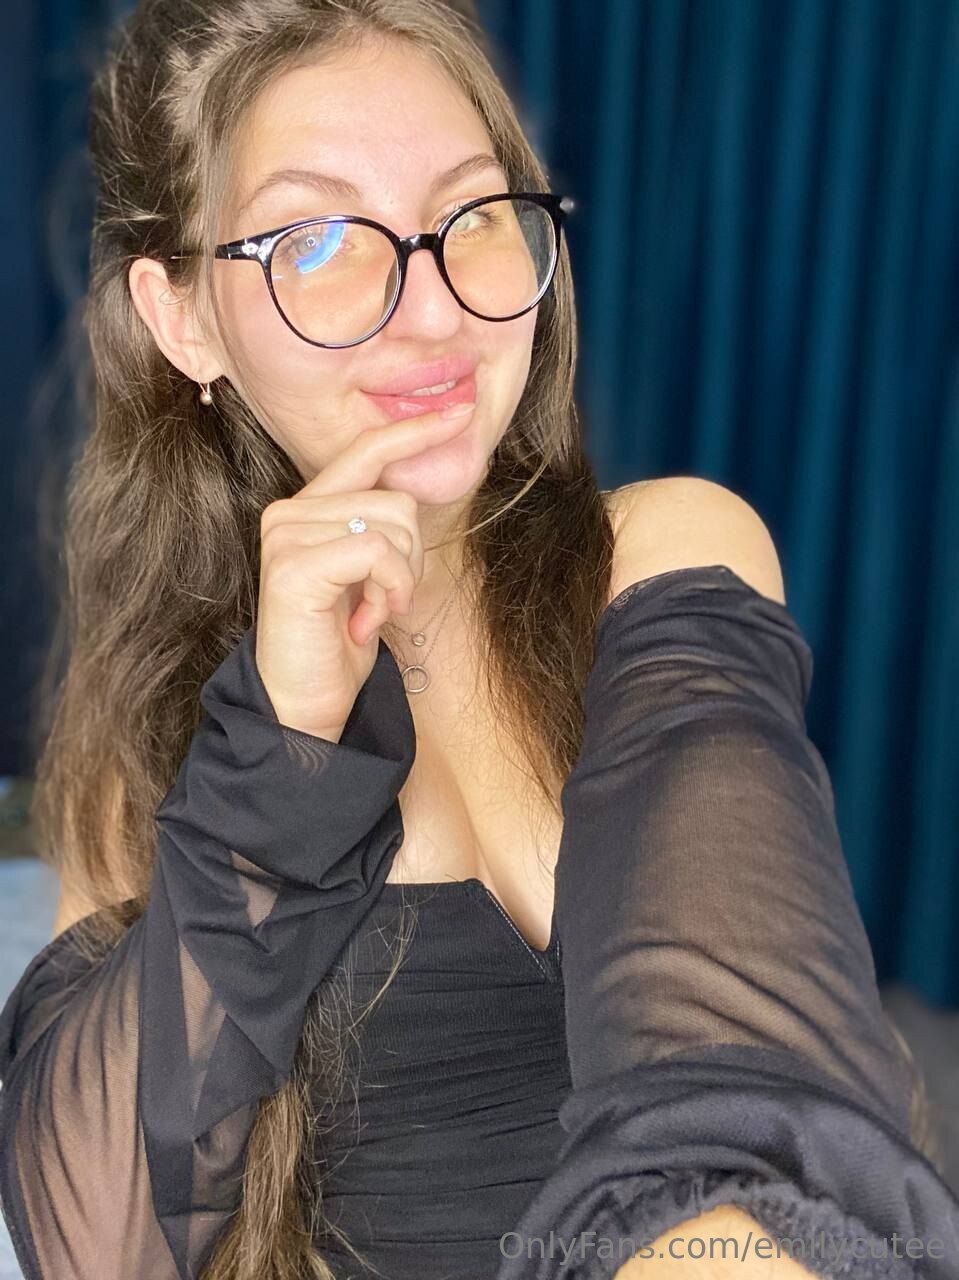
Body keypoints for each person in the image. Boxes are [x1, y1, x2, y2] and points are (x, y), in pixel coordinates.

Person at [1, 1, 957, 1278]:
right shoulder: (156, 735)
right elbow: (96, 1242)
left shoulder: (666, 551)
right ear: (184, 321)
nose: (432, 310)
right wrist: (278, 748)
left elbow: (746, 1100)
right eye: (317, 237)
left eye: (473, 214)